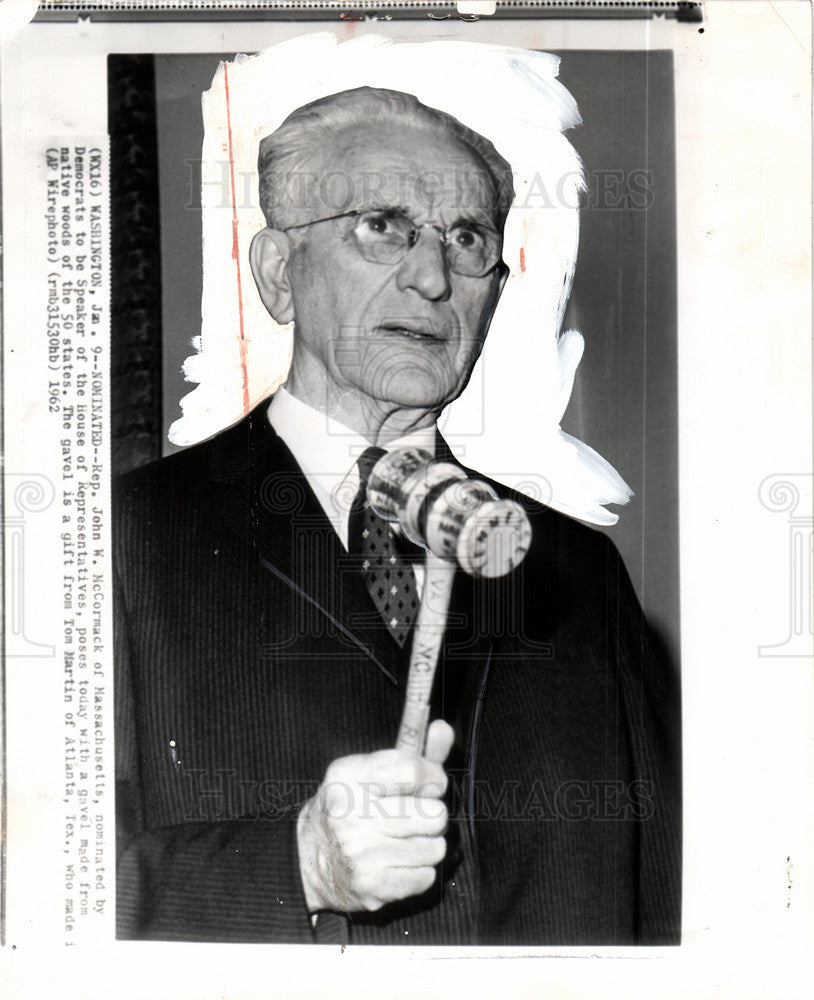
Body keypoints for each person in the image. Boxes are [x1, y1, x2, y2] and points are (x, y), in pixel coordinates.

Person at [114, 86, 681, 945]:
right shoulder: (122, 542)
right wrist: (298, 864)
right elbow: (44, 894)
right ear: (277, 273)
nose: (433, 276)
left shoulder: (579, 572)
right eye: (382, 224)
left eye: (467, 239)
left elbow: (668, 902)